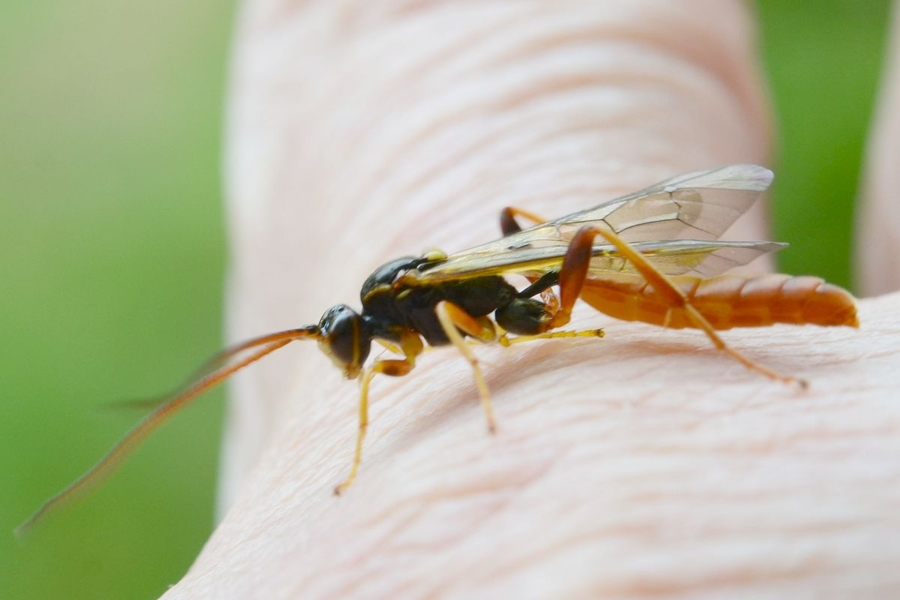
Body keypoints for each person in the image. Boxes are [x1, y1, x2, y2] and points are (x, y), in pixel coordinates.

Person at [164, 2, 900, 597]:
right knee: (557, 243)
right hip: (546, 301)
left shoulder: (419, 305)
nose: (351, 360)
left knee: (574, 241)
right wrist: (355, 464)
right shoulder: (403, 334)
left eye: (344, 346)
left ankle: (727, 344)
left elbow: (457, 315)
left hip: (579, 288)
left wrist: (490, 397)